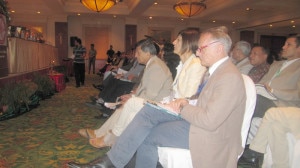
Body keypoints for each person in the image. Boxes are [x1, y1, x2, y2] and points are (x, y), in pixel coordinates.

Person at [68, 26, 246, 168]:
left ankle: (108, 163)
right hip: (197, 123)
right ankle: (108, 162)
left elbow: (210, 121)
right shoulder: (218, 71)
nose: (197, 52)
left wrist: (183, 105)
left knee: (148, 130)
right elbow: (205, 102)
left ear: (219, 49)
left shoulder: (228, 76)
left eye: (202, 48)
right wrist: (186, 101)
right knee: (147, 113)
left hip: (210, 135)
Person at [79, 29, 206, 149]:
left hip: (171, 107)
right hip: (165, 103)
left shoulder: (184, 65)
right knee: (126, 105)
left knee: (129, 105)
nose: (173, 42)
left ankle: (110, 138)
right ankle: (101, 134)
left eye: (178, 40)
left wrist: (134, 98)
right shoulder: (176, 64)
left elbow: (182, 98)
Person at [252, 34, 300, 118]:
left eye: (288, 45)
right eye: (284, 44)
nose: (283, 47)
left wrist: (273, 91)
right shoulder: (276, 64)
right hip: (263, 96)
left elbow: (298, 95)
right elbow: (263, 81)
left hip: (280, 103)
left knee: (252, 101)